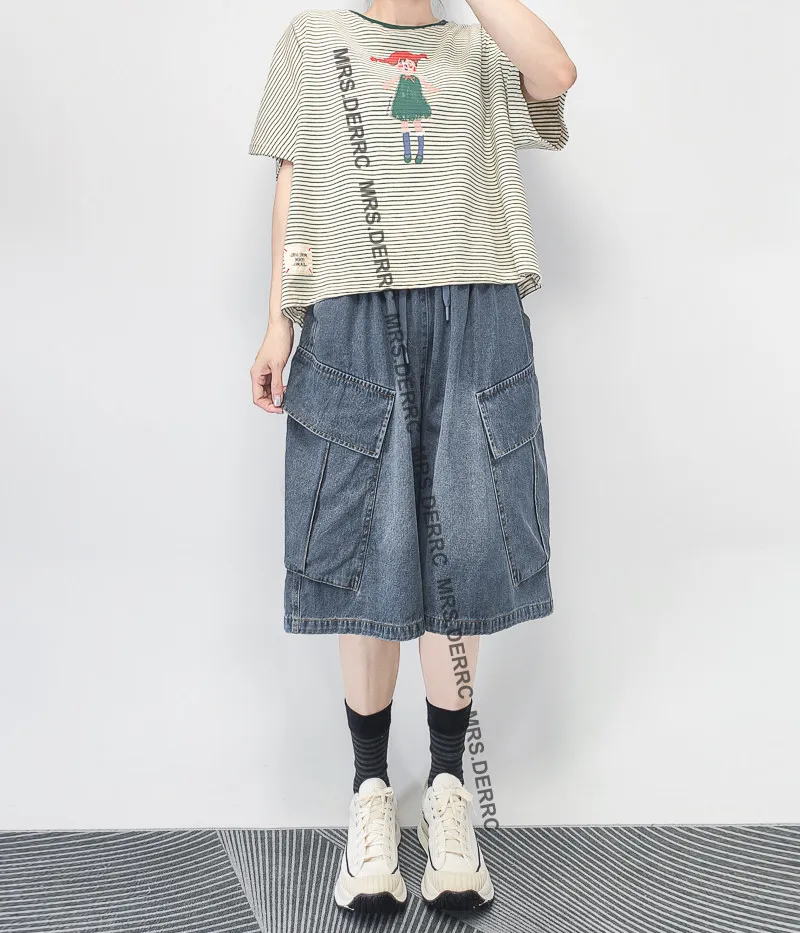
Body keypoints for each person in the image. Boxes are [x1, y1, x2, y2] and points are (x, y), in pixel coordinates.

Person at [248, 0, 576, 915]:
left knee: (464, 542)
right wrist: (279, 319)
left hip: (475, 309)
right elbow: (293, 178)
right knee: (364, 547)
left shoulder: (480, 49)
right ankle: (369, 797)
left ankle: (448, 791)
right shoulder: (313, 42)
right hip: (351, 312)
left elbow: (556, 76)